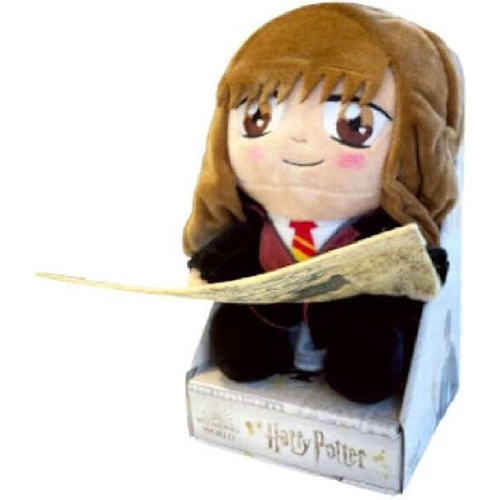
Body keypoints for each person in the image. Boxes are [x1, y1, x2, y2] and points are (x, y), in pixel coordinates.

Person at [183, 3, 463, 403]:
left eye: (354, 125)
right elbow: (234, 247)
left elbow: (410, 259)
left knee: (368, 357)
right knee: (240, 345)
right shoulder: (260, 223)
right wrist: (208, 266)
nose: (297, 140)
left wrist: (424, 265)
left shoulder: (375, 229)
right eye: (258, 118)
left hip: (347, 319)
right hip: (273, 314)